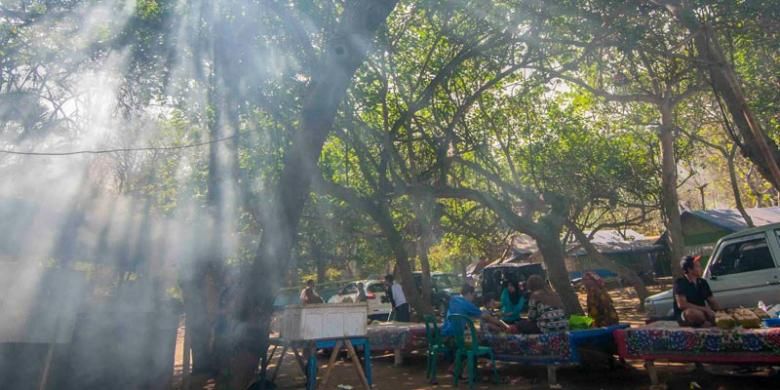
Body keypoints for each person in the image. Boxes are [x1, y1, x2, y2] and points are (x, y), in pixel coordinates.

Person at [674, 255, 720, 327]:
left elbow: (711, 300)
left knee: (714, 315)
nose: (701, 268)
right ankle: (704, 323)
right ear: (689, 269)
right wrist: (704, 309)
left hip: (703, 313)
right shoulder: (680, 283)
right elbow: (682, 304)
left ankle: (707, 323)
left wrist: (720, 313)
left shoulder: (702, 282)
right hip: (686, 315)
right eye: (698, 266)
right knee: (692, 313)